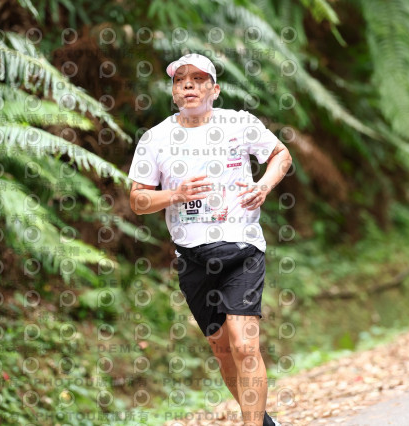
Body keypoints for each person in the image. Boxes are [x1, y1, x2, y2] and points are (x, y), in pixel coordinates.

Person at [128, 53, 292, 426]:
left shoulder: (239, 123)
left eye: (199, 78)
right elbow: (137, 200)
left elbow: (281, 155)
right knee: (222, 351)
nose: (188, 84)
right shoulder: (155, 139)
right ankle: (263, 421)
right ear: (173, 92)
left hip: (242, 249)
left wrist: (264, 186)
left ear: (214, 90)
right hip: (193, 257)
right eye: (180, 79)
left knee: (244, 345)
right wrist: (175, 194)